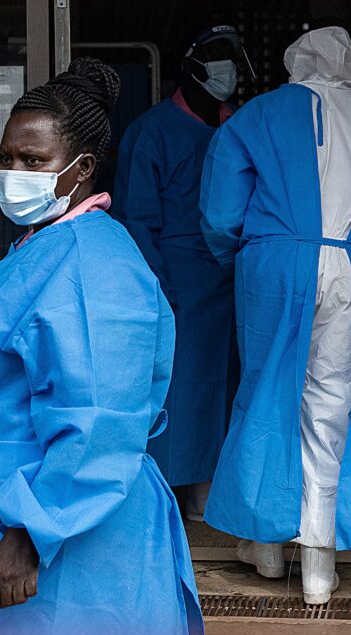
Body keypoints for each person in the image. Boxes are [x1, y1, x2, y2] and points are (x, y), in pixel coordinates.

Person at [0, 58, 204, 635]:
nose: (12, 173)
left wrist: (31, 530)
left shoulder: (92, 266)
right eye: (6, 157)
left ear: (80, 169)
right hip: (10, 511)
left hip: (58, 525)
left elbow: (99, 417)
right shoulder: (47, 246)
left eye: (33, 162)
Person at [199, 26, 351, 605]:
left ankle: (269, 550)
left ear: (296, 63)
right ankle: (319, 565)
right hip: (350, 266)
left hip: (274, 263)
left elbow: (222, 213)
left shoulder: (255, 116)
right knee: (330, 410)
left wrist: (246, 258)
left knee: (267, 396)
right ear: (348, 64)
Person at [113, 25, 249, 520]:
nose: (226, 68)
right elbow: (137, 220)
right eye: (215, 57)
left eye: (232, 58)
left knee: (228, 388)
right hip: (178, 284)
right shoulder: (152, 132)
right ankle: (166, 496)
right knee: (180, 388)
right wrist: (160, 287)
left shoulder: (238, 127)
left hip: (232, 277)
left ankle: (212, 490)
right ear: (190, 66)